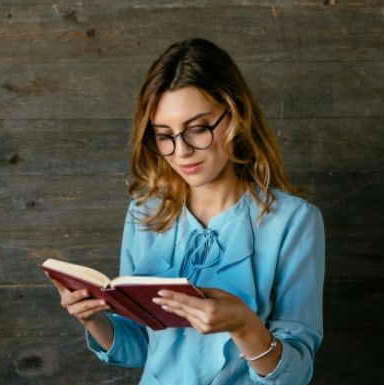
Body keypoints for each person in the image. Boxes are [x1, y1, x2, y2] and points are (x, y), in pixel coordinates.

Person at [47, 38, 325, 385]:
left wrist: (244, 325)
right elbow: (141, 348)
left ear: (236, 114)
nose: (181, 152)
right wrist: (91, 317)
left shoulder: (294, 221)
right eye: (164, 135)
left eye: (197, 129)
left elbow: (296, 374)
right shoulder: (145, 213)